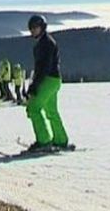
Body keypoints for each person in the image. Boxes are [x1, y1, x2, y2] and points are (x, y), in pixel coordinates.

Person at [26, 15, 70, 152]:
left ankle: (44, 140)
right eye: (31, 28)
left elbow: (43, 67)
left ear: (42, 27)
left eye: (35, 27)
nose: (33, 30)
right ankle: (60, 140)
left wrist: (35, 85)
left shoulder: (46, 43)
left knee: (33, 108)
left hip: (48, 79)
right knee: (51, 110)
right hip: (53, 79)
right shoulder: (44, 42)